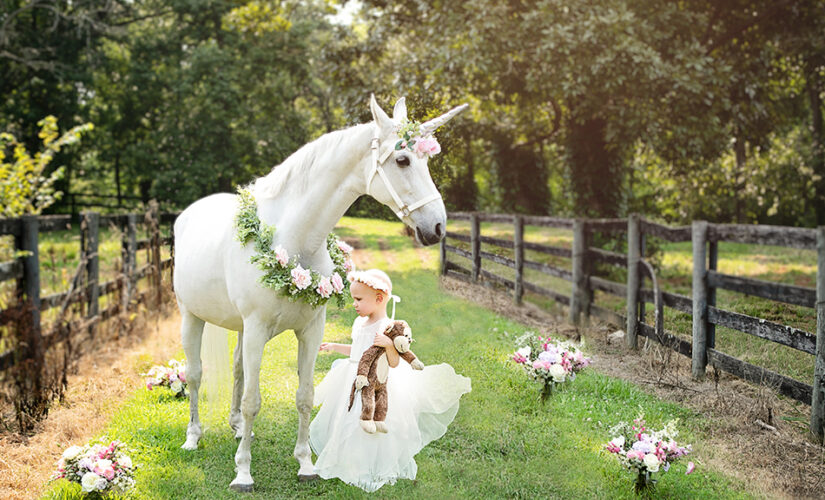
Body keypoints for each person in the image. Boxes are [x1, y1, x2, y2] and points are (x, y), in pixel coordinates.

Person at [309, 268, 471, 492]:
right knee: (347, 419)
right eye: (353, 299)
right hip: (354, 377)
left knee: (372, 418)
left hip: (378, 381)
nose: (354, 304)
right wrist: (335, 347)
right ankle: (350, 460)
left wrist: (387, 344)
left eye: (358, 299)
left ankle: (371, 464)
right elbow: (358, 350)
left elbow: (394, 362)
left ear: (378, 299)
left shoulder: (388, 328)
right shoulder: (360, 324)